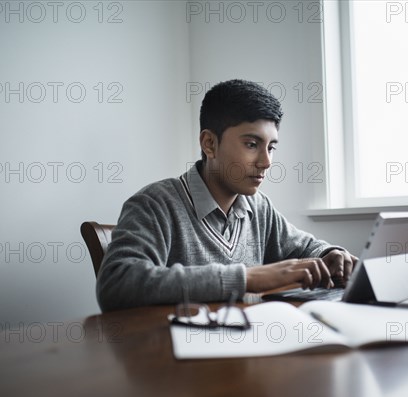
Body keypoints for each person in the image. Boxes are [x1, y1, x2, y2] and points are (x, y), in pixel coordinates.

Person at [97, 79, 356, 312]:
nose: (266, 162)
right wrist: (248, 278)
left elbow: (305, 247)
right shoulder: (154, 204)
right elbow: (116, 283)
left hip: (246, 349)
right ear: (209, 144)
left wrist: (330, 253)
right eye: (252, 145)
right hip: (176, 355)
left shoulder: (259, 207)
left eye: (271, 147)